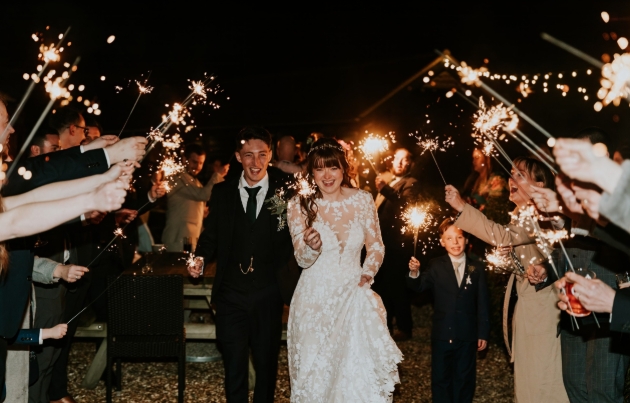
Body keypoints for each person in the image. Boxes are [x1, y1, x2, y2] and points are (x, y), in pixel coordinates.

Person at [285, 138, 402, 402]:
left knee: (354, 380)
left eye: (333, 168)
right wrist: (312, 247)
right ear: (311, 172)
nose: (327, 176)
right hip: (314, 304)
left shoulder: (363, 200)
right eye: (320, 169)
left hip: (353, 296)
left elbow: (376, 247)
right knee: (315, 381)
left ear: (343, 169)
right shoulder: (299, 205)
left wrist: (367, 273)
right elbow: (302, 260)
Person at [444, 156, 569, 403]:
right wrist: (509, 257)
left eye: (520, 174)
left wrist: (461, 207)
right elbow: (527, 254)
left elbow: (500, 235)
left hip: (543, 311)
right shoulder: (523, 214)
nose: (512, 179)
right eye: (511, 173)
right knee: (530, 375)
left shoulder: (539, 213)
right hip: (530, 307)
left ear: (540, 184)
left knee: (542, 377)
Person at [190, 127, 296, 402]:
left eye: (262, 155)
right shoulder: (223, 192)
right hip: (231, 293)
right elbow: (209, 236)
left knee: (266, 363)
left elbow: (296, 235)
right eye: (249, 155)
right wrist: (199, 259)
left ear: (271, 155)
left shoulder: (285, 189)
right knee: (234, 363)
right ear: (238, 157)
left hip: (269, 291)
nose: (255, 162)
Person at [531, 128, 630, 403]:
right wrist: (547, 269)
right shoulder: (577, 195)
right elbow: (567, 250)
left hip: (611, 306)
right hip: (573, 308)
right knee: (574, 385)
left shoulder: (618, 200)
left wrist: (566, 208)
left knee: (603, 390)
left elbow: (613, 234)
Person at [407, 218, 489, 403]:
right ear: (442, 242)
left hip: (467, 335)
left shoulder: (477, 268)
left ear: (466, 239)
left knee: (464, 378)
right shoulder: (436, 266)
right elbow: (418, 286)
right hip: (443, 333)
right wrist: (414, 272)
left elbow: (483, 303)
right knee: (441, 378)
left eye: (459, 237)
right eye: (449, 238)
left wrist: (483, 332)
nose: (455, 242)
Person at [372, 148, 419, 341]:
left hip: (397, 244)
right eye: (397, 159)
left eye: (404, 160)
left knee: (398, 286)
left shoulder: (411, 183)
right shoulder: (387, 179)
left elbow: (405, 205)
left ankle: (404, 327)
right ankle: (385, 325)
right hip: (381, 242)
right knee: (382, 285)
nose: (399, 163)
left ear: (409, 164)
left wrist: (385, 189)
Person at [162, 143, 224, 252]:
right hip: (179, 241)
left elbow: (197, 200)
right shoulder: (177, 177)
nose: (198, 166)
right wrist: (218, 175)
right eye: (194, 162)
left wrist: (202, 211)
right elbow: (203, 195)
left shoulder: (195, 182)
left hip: (190, 241)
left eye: (201, 163)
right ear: (184, 159)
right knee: (179, 269)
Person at [461, 148, 510, 225]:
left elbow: (496, 208)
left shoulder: (496, 179)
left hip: (488, 226)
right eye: (473, 158)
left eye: (477, 158)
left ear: (487, 159)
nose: (473, 161)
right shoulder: (472, 179)